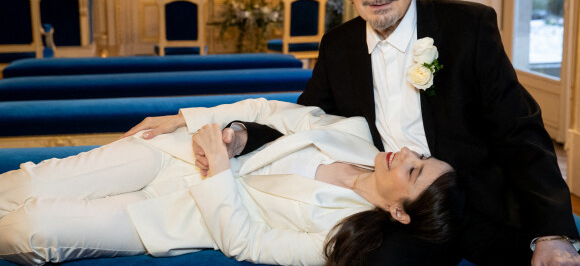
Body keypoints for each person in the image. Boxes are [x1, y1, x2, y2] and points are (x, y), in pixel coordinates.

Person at [130, 0, 580, 265]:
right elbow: (302, 122)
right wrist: (204, 122)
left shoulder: (469, 27)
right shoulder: (340, 45)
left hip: (476, 203)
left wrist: (554, 232)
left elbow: (519, 132)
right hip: (386, 206)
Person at [0, 99, 458, 265]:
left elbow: (247, 241)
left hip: (182, 216)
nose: (409, 154)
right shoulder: (354, 132)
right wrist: (200, 124)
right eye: (422, 156)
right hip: (172, 154)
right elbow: (266, 111)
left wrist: (220, 169)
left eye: (414, 170)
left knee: (36, 228)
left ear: (399, 212)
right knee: (32, 183)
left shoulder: (340, 238)